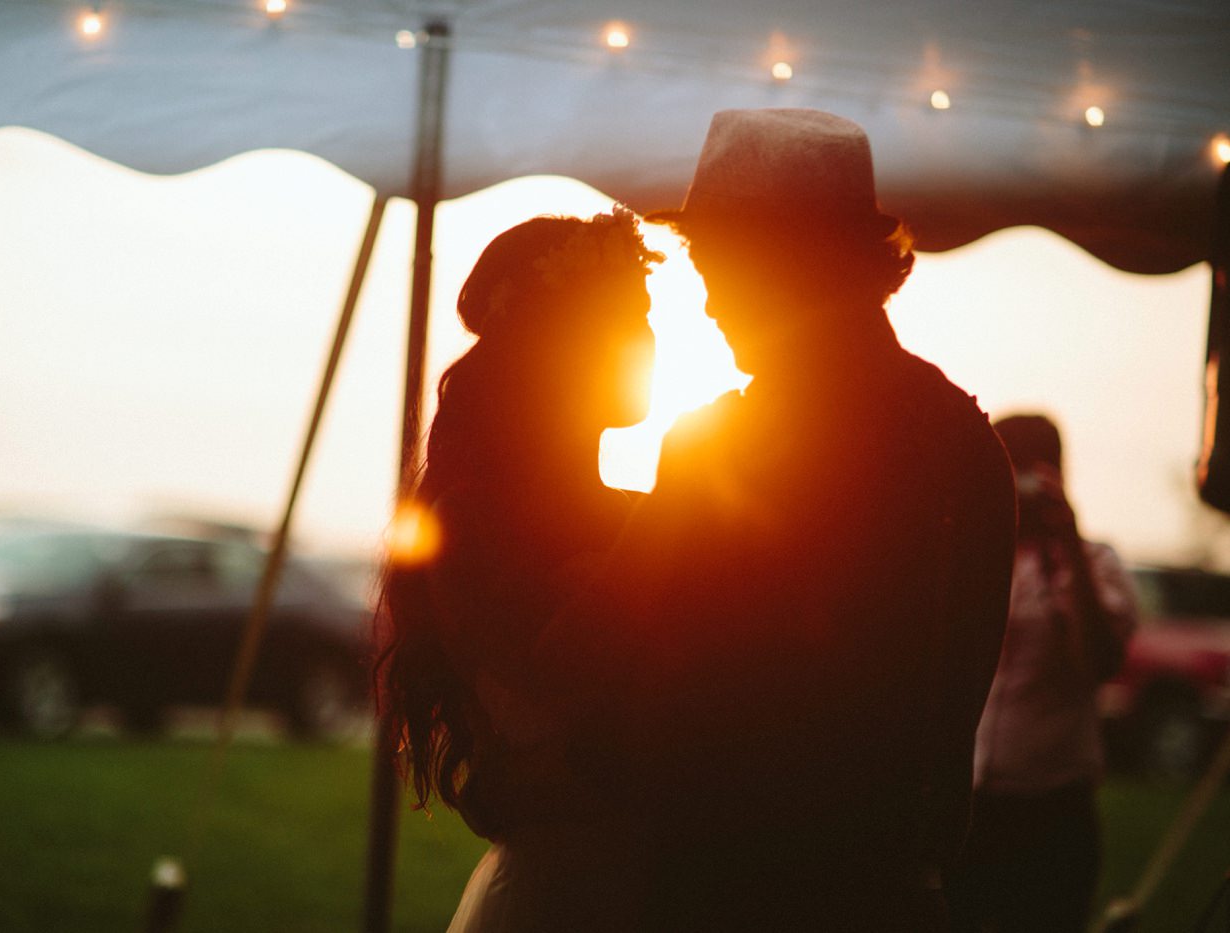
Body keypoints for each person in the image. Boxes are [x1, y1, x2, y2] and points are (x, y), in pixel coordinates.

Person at [537, 109, 1017, 931]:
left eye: (718, 261)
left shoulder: (723, 442)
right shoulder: (968, 443)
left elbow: (593, 652)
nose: (709, 296)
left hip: (725, 887)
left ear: (784, 261)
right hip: (898, 893)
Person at [377, 208, 663, 931]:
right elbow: (538, 707)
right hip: (562, 895)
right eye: (627, 318)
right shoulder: (473, 521)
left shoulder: (641, 508)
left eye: (649, 316)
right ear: (557, 343)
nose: (652, 342)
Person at [950, 413, 1138, 933]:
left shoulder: (1096, 563)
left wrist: (1069, 544)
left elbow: (1102, 661)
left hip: (1052, 809)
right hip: (970, 805)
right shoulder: (981, 557)